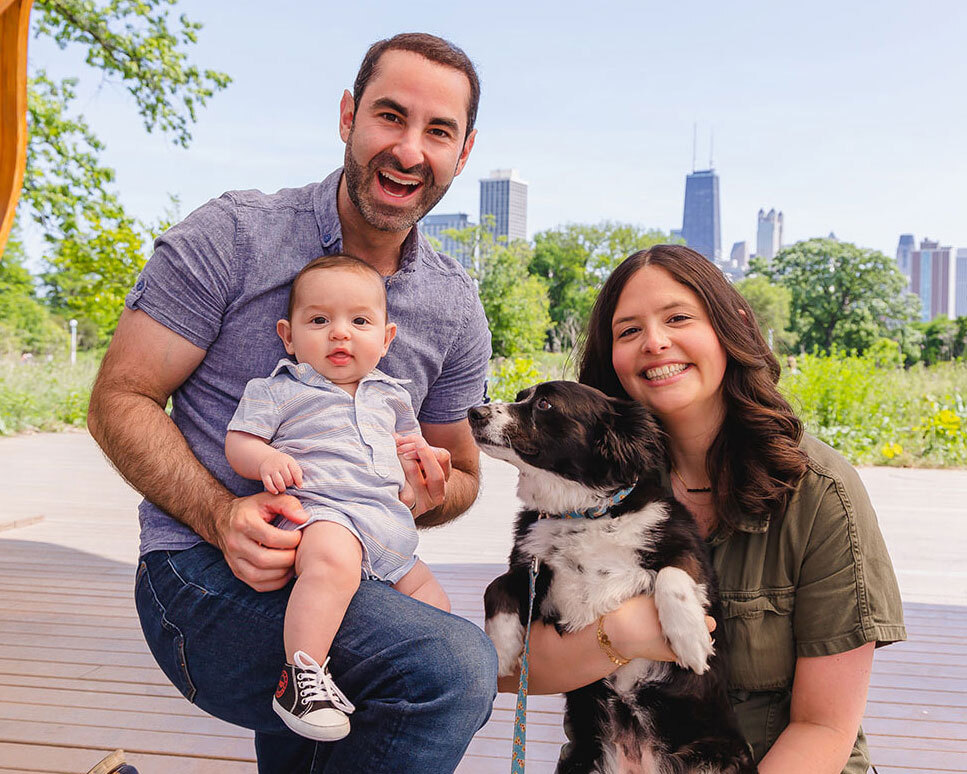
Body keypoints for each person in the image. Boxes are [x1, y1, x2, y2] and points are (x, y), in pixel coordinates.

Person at [87, 32, 498, 774]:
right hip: (200, 572)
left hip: (361, 564)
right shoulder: (235, 234)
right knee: (450, 668)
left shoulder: (453, 304)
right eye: (389, 116)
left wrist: (428, 491)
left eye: (438, 131)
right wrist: (221, 513)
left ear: (463, 152)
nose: (408, 150)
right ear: (347, 115)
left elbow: (462, 475)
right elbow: (120, 398)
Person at [501, 244, 905, 774]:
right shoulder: (577, 487)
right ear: (611, 358)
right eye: (628, 331)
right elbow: (515, 671)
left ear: (730, 326)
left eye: (677, 318)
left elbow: (824, 727)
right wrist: (617, 635)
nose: (655, 342)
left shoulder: (821, 492)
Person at [225, 254, 450, 741]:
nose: (340, 333)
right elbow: (238, 441)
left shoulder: (392, 396)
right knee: (332, 565)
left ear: (386, 339)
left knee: (436, 608)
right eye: (320, 320)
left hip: (387, 528)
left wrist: (418, 468)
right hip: (322, 514)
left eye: (360, 321)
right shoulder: (280, 389)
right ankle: (299, 679)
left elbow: (408, 477)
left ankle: (414, 683)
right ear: (288, 335)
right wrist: (263, 459)